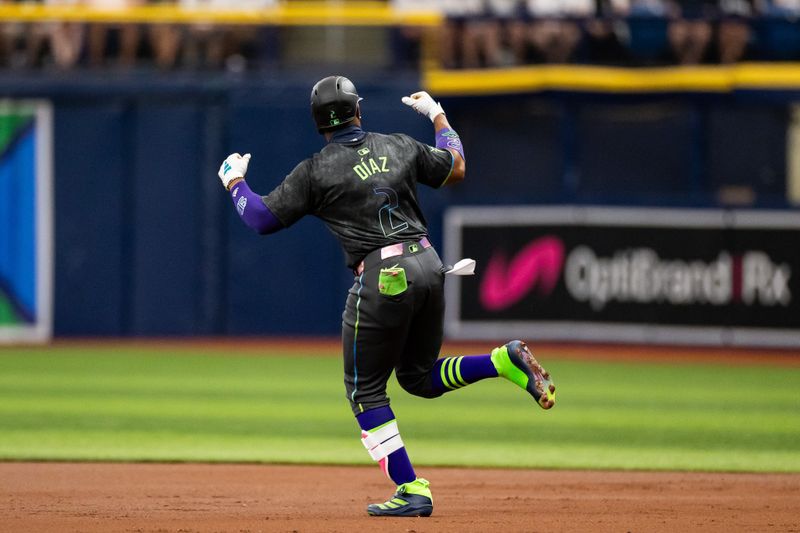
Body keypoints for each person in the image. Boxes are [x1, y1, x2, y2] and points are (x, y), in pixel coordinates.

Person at [216, 76, 556, 517]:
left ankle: (411, 487)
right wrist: (438, 116)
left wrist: (235, 183)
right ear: (359, 110)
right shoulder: (398, 144)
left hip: (383, 274)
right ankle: (500, 361)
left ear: (319, 124)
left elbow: (261, 219)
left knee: (364, 390)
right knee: (417, 378)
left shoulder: (315, 170)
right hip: (430, 264)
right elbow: (456, 167)